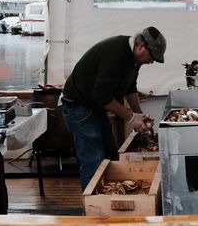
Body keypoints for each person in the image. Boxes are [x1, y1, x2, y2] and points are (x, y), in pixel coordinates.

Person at [61, 26, 166, 191]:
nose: (151, 61)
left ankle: (109, 198)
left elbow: (130, 86)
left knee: (110, 155)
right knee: (93, 161)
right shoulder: (115, 54)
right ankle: (93, 212)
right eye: (152, 56)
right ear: (141, 46)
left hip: (95, 108)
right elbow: (101, 95)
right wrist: (130, 117)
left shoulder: (134, 59)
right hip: (79, 108)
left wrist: (139, 113)